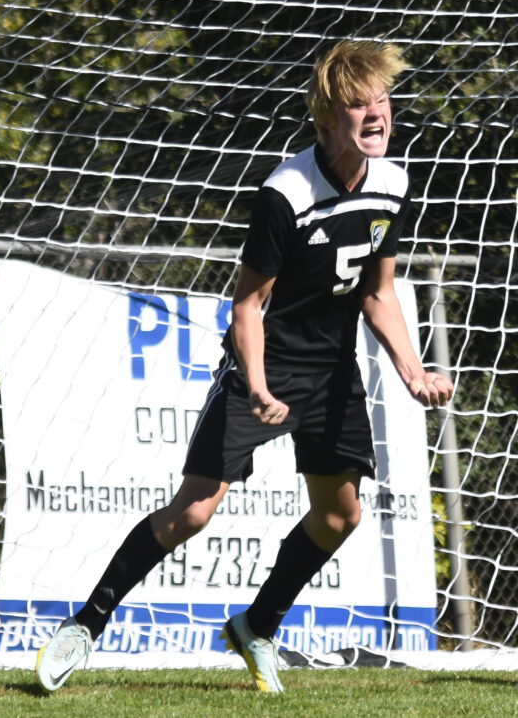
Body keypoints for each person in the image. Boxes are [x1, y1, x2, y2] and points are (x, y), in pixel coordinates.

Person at [34, 39, 454, 695]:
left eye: (382, 100)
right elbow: (249, 305)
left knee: (341, 518)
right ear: (326, 115)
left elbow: (378, 292)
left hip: (333, 373)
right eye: (357, 103)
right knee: (195, 511)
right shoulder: (285, 193)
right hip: (264, 365)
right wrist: (257, 385)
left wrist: (412, 370)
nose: (376, 115)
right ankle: (87, 623)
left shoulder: (393, 185)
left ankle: (256, 626)